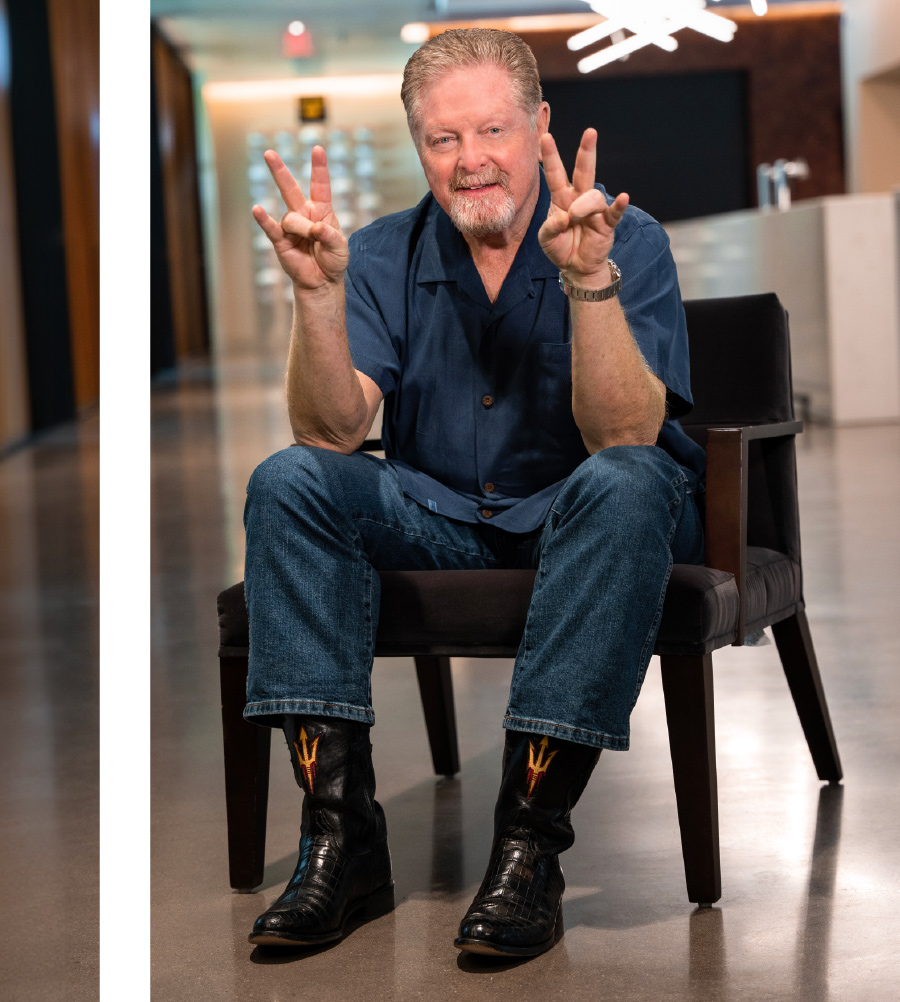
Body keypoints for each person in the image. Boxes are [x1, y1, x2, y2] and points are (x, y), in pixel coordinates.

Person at [242, 28, 705, 958]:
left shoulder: (629, 239)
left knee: (626, 478)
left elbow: (623, 435)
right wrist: (318, 300)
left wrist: (588, 281)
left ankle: (529, 848)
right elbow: (332, 434)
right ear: (420, 149)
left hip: (587, 524)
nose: (471, 161)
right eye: (444, 140)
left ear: (539, 124)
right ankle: (342, 841)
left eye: (491, 130)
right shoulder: (378, 253)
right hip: (439, 516)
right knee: (289, 478)